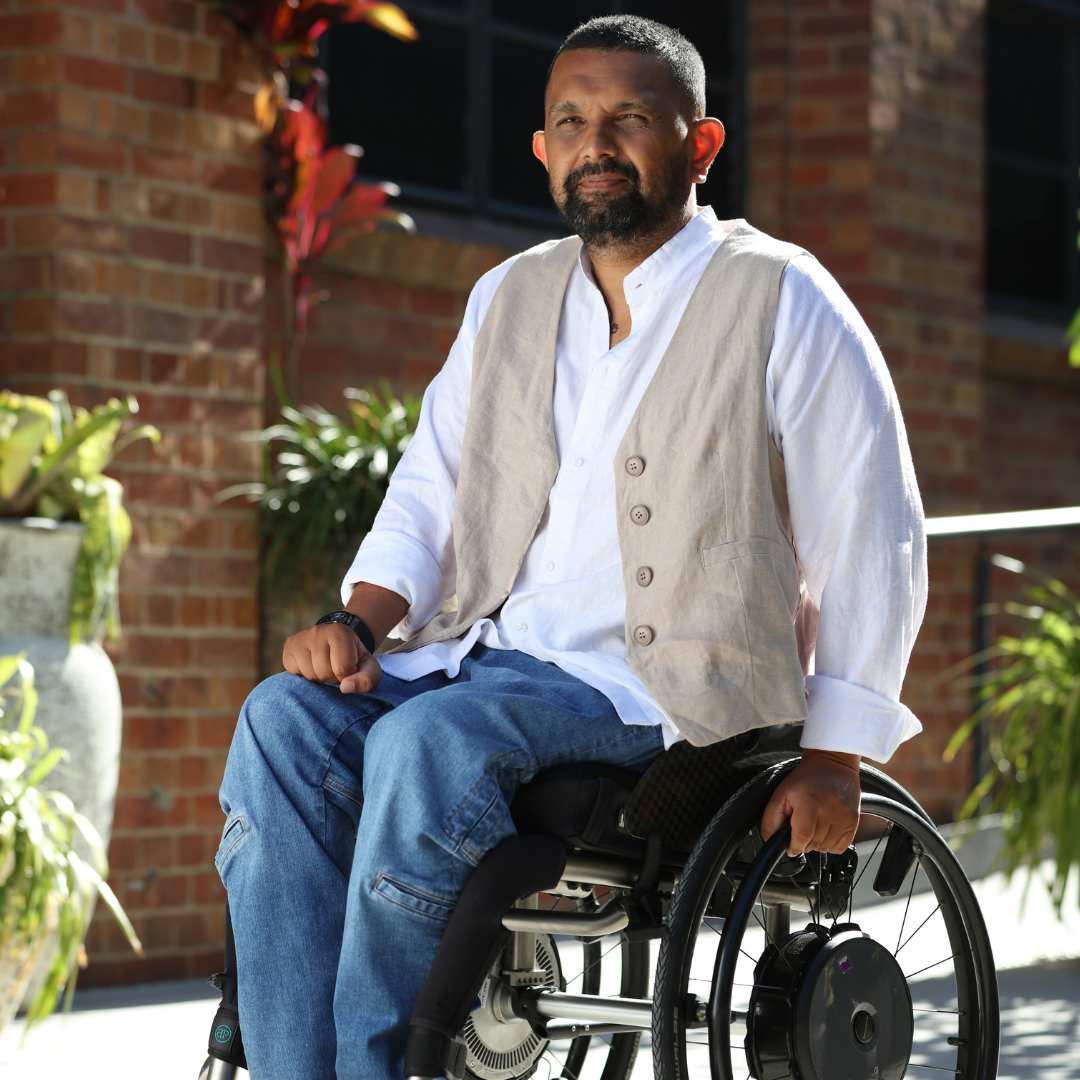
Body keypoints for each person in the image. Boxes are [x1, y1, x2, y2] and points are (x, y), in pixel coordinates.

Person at [214, 14, 927, 1080]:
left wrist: (836, 754)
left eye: (630, 119)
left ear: (700, 144)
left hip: (665, 695)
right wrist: (357, 621)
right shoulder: (510, 294)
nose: (598, 144)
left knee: (425, 746)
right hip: (488, 661)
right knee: (283, 720)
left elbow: (871, 525)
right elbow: (431, 485)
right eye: (572, 122)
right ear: (543, 150)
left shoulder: (780, 294)